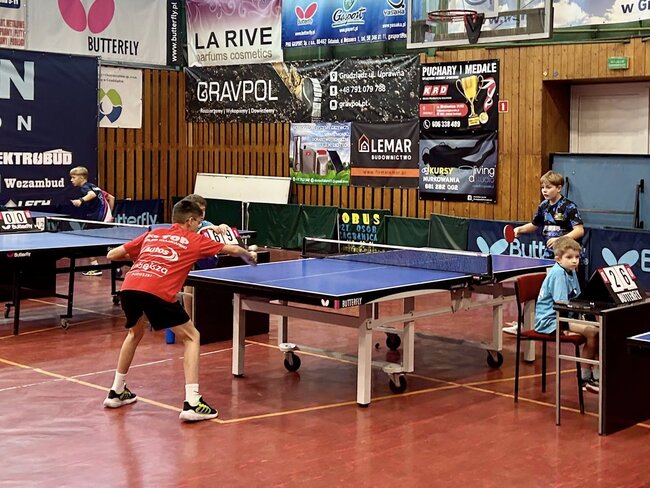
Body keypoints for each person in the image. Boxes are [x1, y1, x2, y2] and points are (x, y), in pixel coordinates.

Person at [103, 199, 257, 421]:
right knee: (192, 337)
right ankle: (193, 402)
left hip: (130, 287)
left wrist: (145, 256)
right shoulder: (194, 239)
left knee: (134, 334)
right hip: (157, 290)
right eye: (199, 222)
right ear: (190, 221)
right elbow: (232, 249)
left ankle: (116, 390)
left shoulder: (153, 234)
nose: (199, 225)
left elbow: (112, 255)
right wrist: (248, 255)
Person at [533, 236, 599, 393]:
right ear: (558, 259)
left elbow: (578, 299)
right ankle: (585, 379)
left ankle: (595, 375)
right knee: (593, 332)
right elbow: (561, 304)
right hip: (550, 321)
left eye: (577, 257)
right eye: (569, 257)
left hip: (563, 318)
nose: (574, 261)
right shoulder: (558, 274)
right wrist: (565, 328)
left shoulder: (571, 271)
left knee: (599, 330)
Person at [513, 170, 585, 259]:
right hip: (550, 254)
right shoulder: (543, 206)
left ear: (559, 188)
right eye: (542, 187)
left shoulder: (569, 206)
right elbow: (534, 225)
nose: (544, 190)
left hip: (569, 256)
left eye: (548, 187)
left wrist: (560, 240)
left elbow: (579, 231)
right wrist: (519, 229)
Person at [180, 194, 230, 316]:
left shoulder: (206, 224)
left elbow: (218, 233)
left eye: (203, 210)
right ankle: (189, 317)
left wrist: (222, 227)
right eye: (198, 210)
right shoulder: (183, 225)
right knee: (189, 284)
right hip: (184, 265)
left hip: (205, 264)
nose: (202, 214)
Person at [69, 166, 110, 276]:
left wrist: (80, 200)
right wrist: (109, 214)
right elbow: (111, 198)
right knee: (106, 244)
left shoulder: (85, 188)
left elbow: (91, 195)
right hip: (103, 218)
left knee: (88, 243)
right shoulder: (94, 186)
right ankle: (118, 266)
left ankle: (95, 268)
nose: (71, 180)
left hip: (95, 219)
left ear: (81, 178)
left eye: (73, 177)